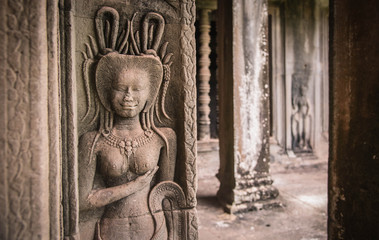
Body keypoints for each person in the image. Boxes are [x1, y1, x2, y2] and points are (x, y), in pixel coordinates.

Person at [78, 52, 176, 240]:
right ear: (107, 93)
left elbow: (167, 194)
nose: (128, 97)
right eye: (120, 88)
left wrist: (176, 232)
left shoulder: (163, 139)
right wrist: (134, 186)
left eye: (137, 88)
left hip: (154, 228)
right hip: (111, 230)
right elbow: (83, 200)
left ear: (149, 93)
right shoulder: (92, 141)